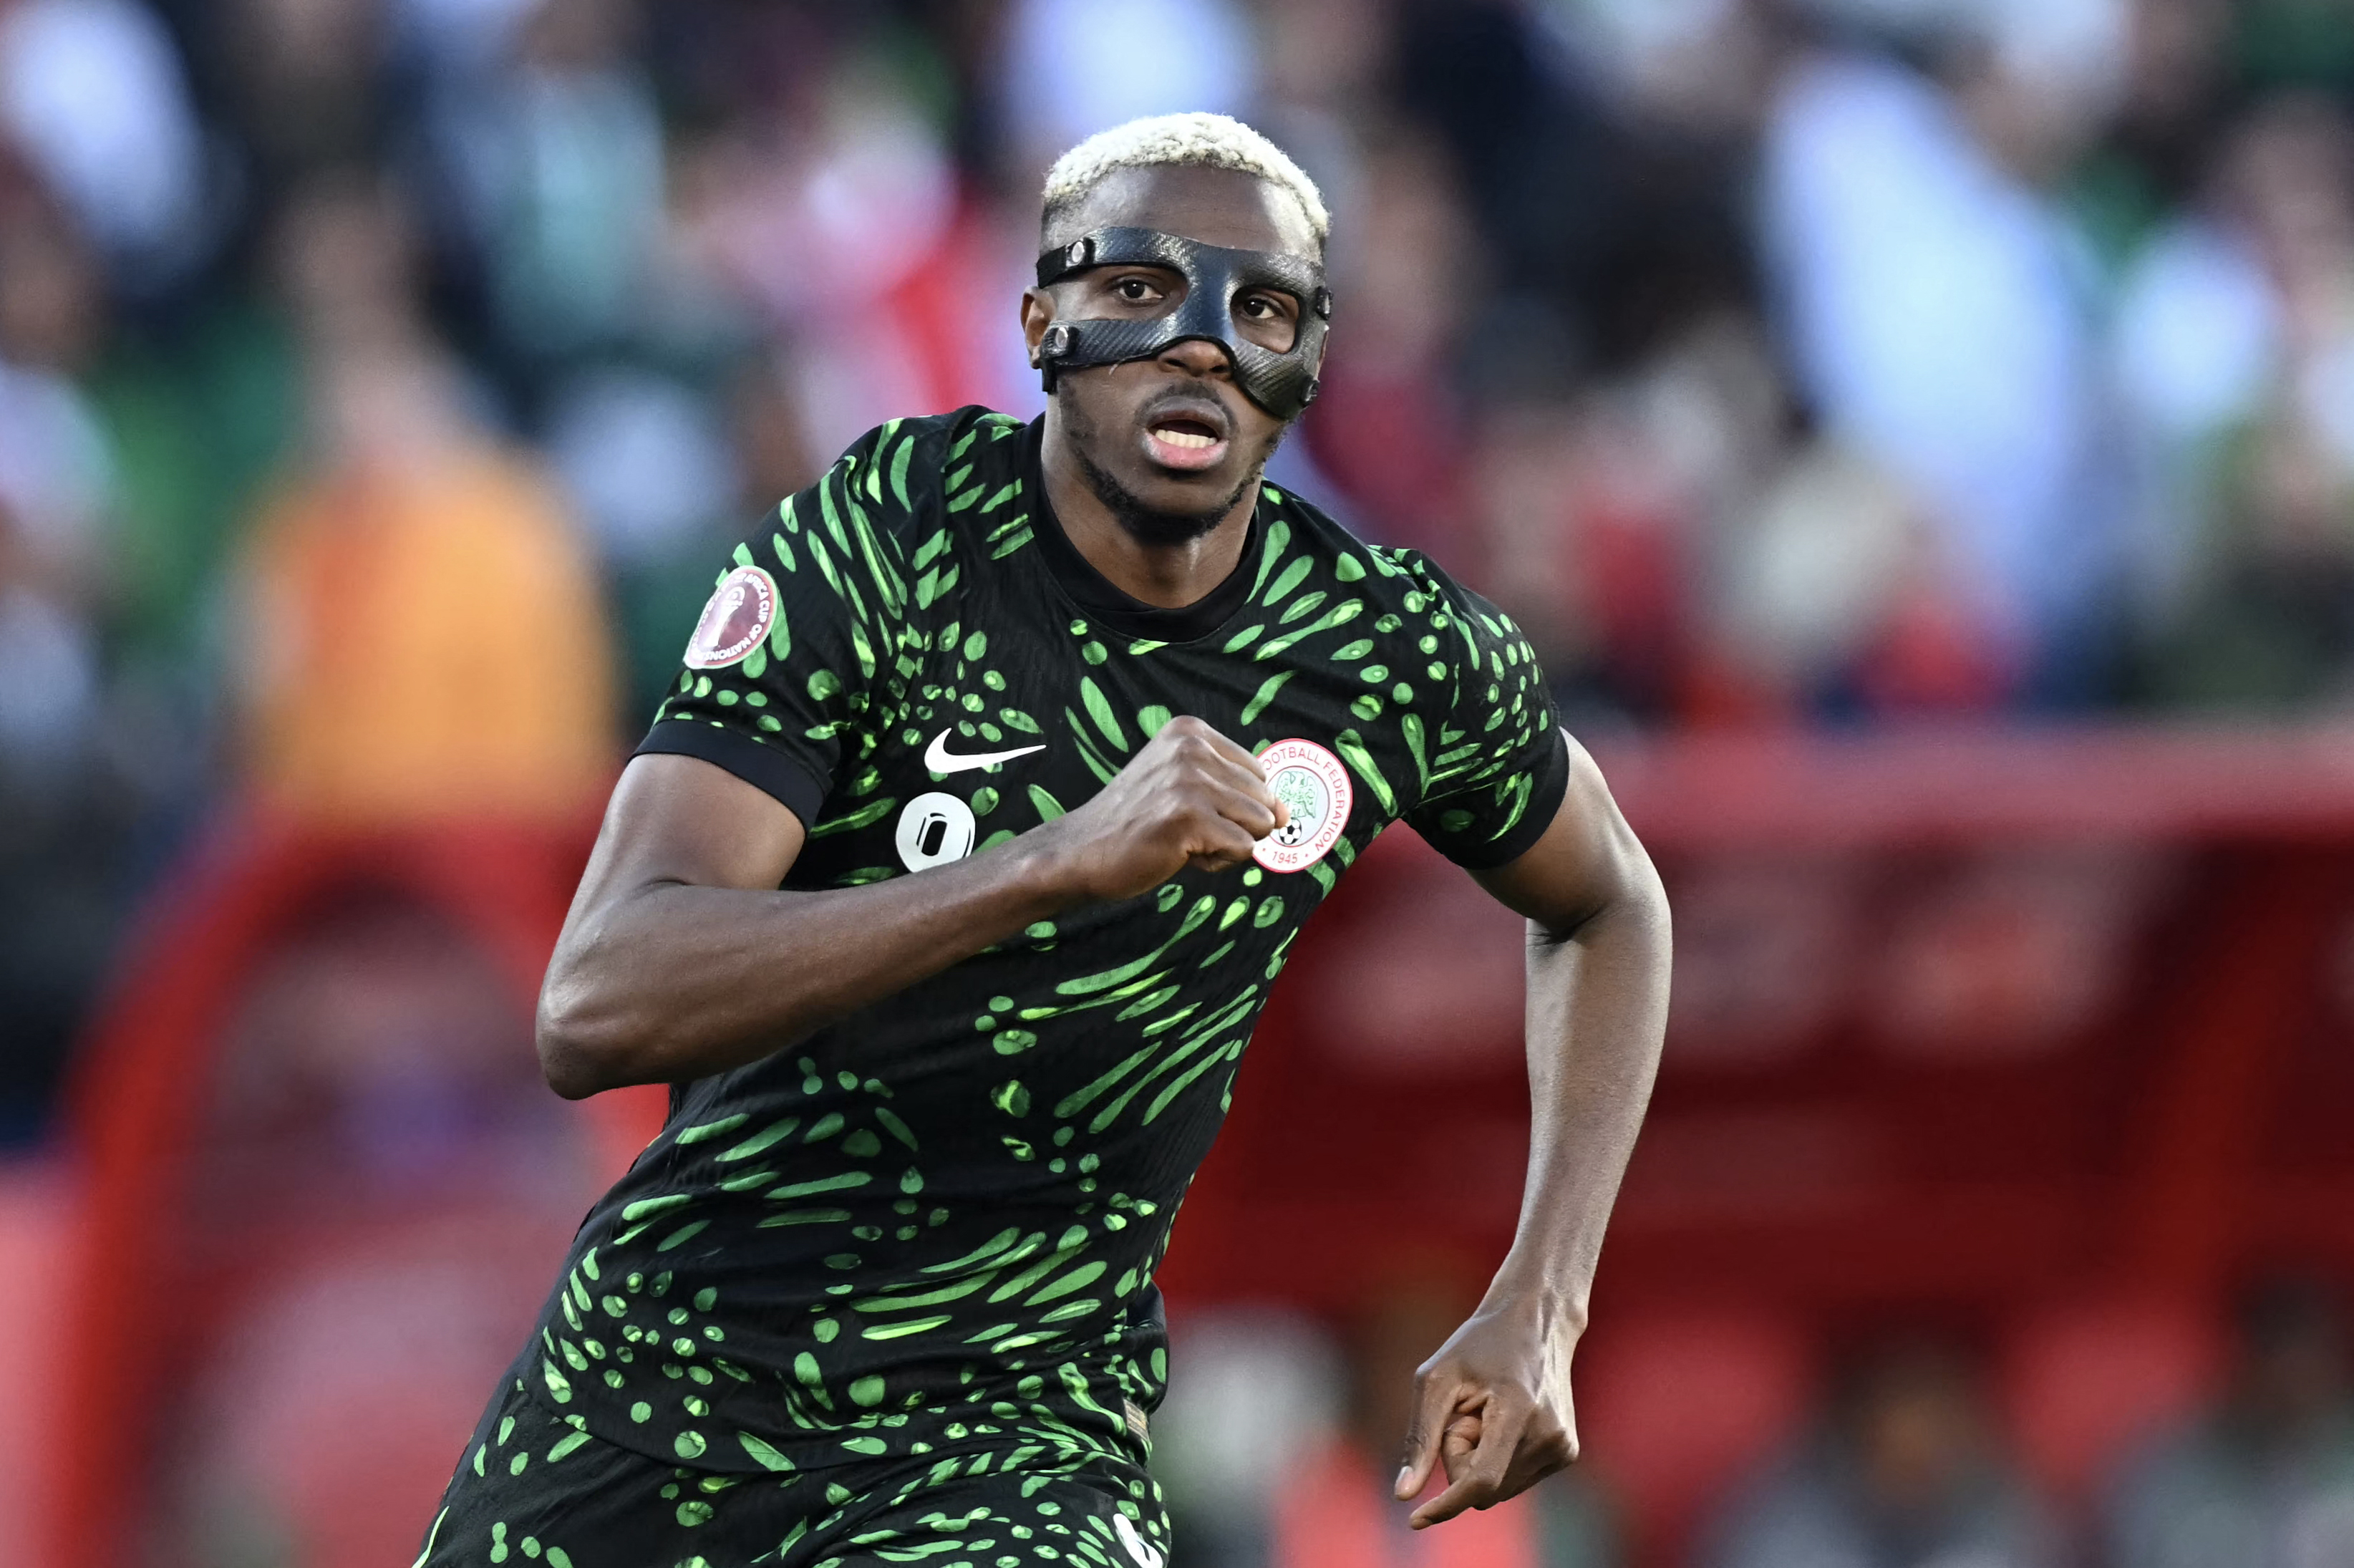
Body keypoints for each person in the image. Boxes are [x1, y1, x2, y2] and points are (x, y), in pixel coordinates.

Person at [415, 111, 1671, 1568]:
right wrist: (1048, 863)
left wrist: (1545, 1299)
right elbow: (597, 1000)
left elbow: (1611, 903)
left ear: (1306, 367)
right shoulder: (888, 540)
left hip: (1015, 1431)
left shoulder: (1383, 651)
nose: (1201, 341)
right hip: (665, 1379)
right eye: (1142, 289)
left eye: (1261, 309)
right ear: (1040, 321)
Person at [1702, 1335, 2059, 1568]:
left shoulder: (2008, 1509)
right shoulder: (1782, 1520)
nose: (1923, 1461)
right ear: (1864, 1440)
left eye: (1939, 1441)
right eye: (1904, 1450)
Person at [2103, 1276, 2354, 1568]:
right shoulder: (2167, 1473)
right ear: (2239, 1362)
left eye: (2308, 1368)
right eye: (2278, 1370)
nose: (2292, 1391)